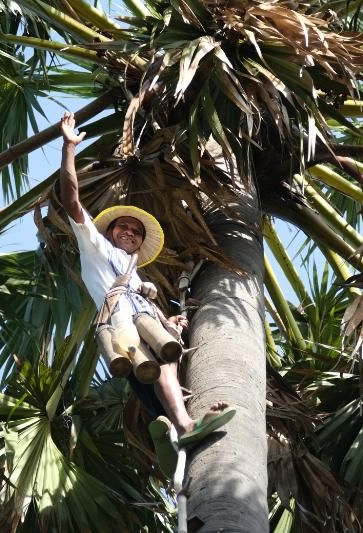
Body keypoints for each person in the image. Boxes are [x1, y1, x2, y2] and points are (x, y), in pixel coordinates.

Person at [58, 112, 234, 474]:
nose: (128, 232)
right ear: (109, 231)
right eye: (123, 226)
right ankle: (185, 425)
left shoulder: (134, 274)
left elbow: (140, 303)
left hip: (140, 328)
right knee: (162, 364)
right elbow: (71, 200)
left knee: (162, 366)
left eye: (135, 231)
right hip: (121, 328)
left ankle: (169, 431)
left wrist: (167, 320)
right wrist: (69, 148)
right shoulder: (95, 246)